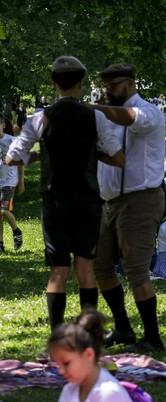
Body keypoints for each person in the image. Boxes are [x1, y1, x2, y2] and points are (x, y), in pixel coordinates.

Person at [6, 56, 124, 336]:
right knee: (85, 268)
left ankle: (57, 334)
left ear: (53, 83)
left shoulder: (40, 118)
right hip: (87, 198)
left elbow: (12, 158)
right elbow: (118, 158)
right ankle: (89, 334)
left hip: (54, 198)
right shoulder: (95, 117)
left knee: (59, 270)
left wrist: (41, 155)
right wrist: (93, 155)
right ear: (81, 83)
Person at [91, 62, 166, 353]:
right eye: (106, 88)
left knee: (136, 271)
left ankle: (152, 338)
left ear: (130, 84)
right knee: (101, 267)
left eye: (113, 87)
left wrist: (93, 108)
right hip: (110, 203)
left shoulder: (149, 112)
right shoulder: (109, 115)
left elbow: (130, 118)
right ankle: (123, 329)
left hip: (141, 200)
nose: (108, 92)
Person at [48, 309, 146, 402]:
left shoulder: (107, 393)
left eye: (66, 363)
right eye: (57, 364)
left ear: (88, 355)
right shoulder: (70, 391)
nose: (60, 371)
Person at [0, 117, 24, 253]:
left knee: (3, 210)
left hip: (9, 181)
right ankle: (0, 244)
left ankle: (16, 231)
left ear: (3, 125)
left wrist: (21, 182)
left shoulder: (11, 141)